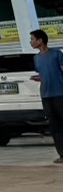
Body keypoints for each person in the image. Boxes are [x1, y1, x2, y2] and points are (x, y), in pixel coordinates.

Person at [30, 29, 63, 164]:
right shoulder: (36, 58)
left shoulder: (56, 54)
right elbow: (42, 74)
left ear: (40, 40)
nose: (31, 42)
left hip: (60, 94)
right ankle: (62, 154)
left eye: (32, 39)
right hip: (46, 96)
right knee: (55, 126)